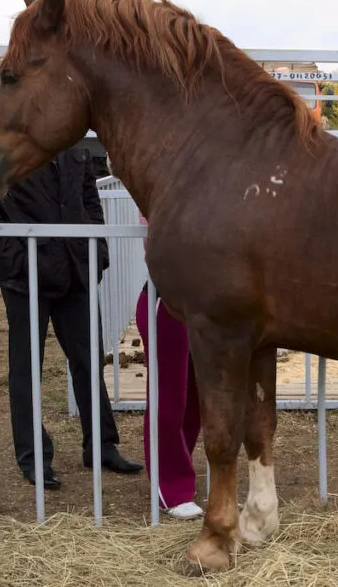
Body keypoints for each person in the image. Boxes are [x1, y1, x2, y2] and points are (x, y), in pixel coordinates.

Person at [0, 147, 143, 489]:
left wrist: (96, 253)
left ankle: (101, 445)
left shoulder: (73, 148)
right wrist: (21, 263)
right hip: (26, 280)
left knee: (88, 361)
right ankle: (33, 456)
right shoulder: (5, 148)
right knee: (26, 368)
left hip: (75, 271)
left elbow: (90, 201)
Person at [134, 212, 203, 519]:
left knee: (197, 397)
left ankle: (178, 466)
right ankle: (170, 488)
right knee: (169, 395)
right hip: (167, 303)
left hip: (201, 303)